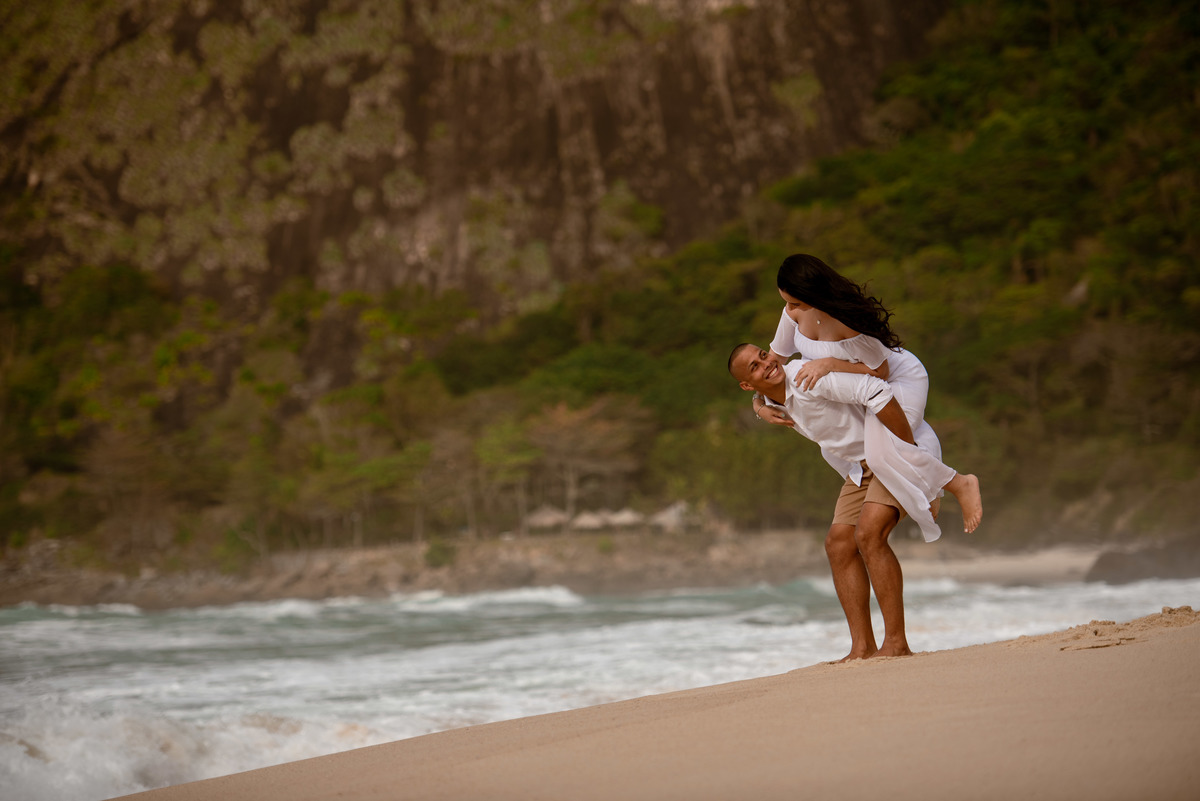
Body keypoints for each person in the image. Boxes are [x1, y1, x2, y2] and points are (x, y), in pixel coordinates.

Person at [728, 342, 982, 660]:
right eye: (754, 366)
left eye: (763, 355)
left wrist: (914, 462)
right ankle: (861, 647)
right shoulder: (771, 400)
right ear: (747, 385)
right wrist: (759, 406)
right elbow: (761, 397)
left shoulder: (809, 377)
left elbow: (876, 390)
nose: (766, 364)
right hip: (860, 468)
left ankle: (896, 643)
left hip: (895, 450)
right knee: (838, 544)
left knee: (869, 534)